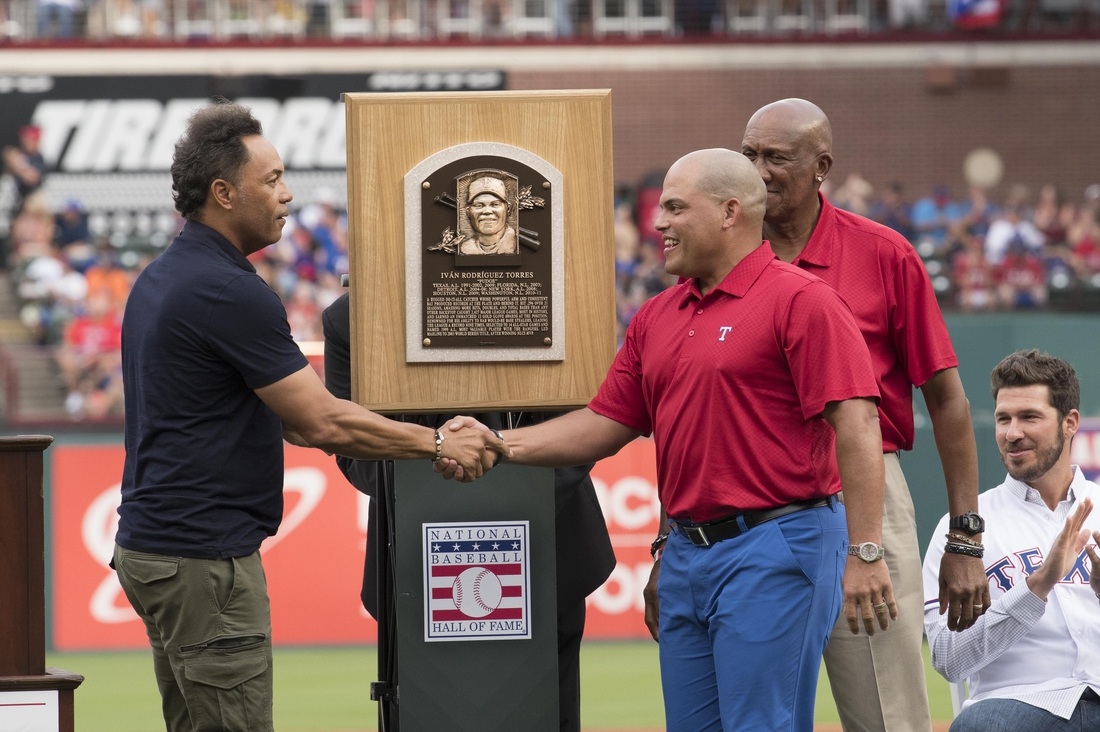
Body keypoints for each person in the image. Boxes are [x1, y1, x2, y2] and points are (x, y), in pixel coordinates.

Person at [440, 148, 895, 732]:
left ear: (731, 212)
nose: (658, 224)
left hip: (777, 540)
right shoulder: (657, 314)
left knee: (761, 725)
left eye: (676, 208)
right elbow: (606, 423)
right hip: (686, 551)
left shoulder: (802, 300)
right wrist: (500, 444)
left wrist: (865, 551)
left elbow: (857, 426)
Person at [113, 101, 505, 732]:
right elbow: (321, 421)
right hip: (203, 562)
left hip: (154, 549)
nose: (287, 195)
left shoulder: (162, 276)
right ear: (223, 192)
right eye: (271, 180)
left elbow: (295, 421)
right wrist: (437, 441)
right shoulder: (229, 290)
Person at [729, 98, 988, 732]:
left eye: (776, 158)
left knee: (887, 713)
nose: (758, 170)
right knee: (751, 714)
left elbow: (948, 400)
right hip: (748, 499)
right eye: (749, 155)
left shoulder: (883, 254)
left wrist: (965, 537)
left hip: (861, 493)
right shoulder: (722, 253)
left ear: (821, 167)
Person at [321, 292, 616, 732]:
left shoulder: (554, 294)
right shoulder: (351, 317)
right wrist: (440, 472)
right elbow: (352, 451)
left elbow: (586, 422)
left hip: (548, 552)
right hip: (413, 568)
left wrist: (485, 490)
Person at [923, 350, 1100, 732]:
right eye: (1004, 418)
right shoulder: (962, 531)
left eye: (1029, 417)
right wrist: (1036, 586)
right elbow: (947, 659)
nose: (1011, 433)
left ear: (1070, 423)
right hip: (1020, 706)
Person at [459, 175, 518, 255]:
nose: (487, 211)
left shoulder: (515, 243)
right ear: (468, 212)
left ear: (508, 209)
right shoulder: (464, 248)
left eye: (495, 204)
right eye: (479, 205)